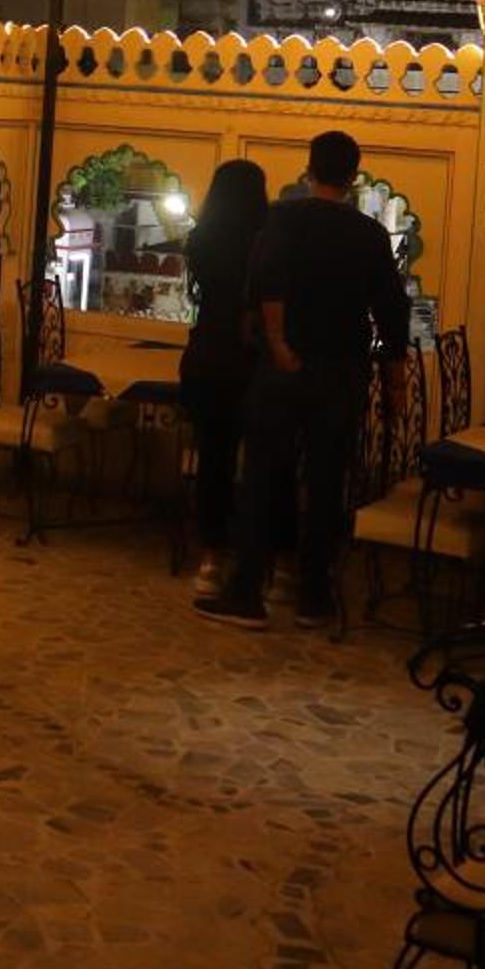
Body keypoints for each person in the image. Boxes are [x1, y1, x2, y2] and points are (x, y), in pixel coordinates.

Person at [195, 128, 411, 632]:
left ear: (309, 169)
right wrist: (396, 379)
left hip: (285, 369)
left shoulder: (283, 219)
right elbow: (391, 308)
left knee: (263, 477)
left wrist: (278, 344)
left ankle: (247, 594)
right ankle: (314, 597)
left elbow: (267, 282)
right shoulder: (369, 234)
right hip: (343, 371)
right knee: (328, 482)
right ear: (353, 176)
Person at [178, 159, 269, 596]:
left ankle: (211, 556)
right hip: (252, 361)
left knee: (213, 460)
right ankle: (261, 558)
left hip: (208, 356)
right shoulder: (265, 242)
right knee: (264, 464)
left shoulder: (203, 240)